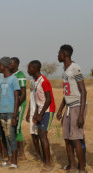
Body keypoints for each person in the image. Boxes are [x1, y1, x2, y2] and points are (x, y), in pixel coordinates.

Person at [56, 45, 87, 173]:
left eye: (59, 53)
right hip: (69, 107)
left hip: (77, 106)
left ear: (65, 54)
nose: (57, 56)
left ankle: (82, 168)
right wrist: (60, 109)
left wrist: (80, 115)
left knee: (76, 139)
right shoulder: (65, 70)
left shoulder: (75, 68)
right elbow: (66, 92)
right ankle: (72, 166)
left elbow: (84, 91)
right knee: (67, 138)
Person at [27, 60, 55, 169]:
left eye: (29, 68)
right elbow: (38, 100)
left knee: (43, 135)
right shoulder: (35, 81)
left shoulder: (44, 81)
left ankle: (48, 164)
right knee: (40, 134)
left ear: (35, 69)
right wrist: (35, 114)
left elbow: (48, 99)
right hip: (40, 110)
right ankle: (46, 160)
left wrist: (41, 114)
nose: (28, 70)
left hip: (48, 110)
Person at [0, 57, 20, 169]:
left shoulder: (14, 79)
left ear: (5, 66)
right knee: (6, 137)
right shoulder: (1, 80)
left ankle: (15, 162)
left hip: (11, 112)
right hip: (2, 112)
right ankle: (9, 159)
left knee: (11, 136)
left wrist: (15, 115)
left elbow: (17, 98)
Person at [10, 57, 27, 160]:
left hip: (19, 105)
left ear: (16, 64)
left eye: (11, 64)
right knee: (13, 127)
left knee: (17, 127)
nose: (9, 65)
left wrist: (16, 106)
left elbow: (23, 94)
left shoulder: (20, 76)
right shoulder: (12, 75)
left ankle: (22, 154)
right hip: (13, 105)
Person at [26, 79, 42, 161]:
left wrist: (36, 113)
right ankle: (38, 155)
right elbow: (31, 98)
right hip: (32, 111)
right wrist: (28, 112)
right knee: (33, 134)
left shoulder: (41, 81)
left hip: (39, 111)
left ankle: (45, 156)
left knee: (41, 134)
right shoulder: (31, 82)